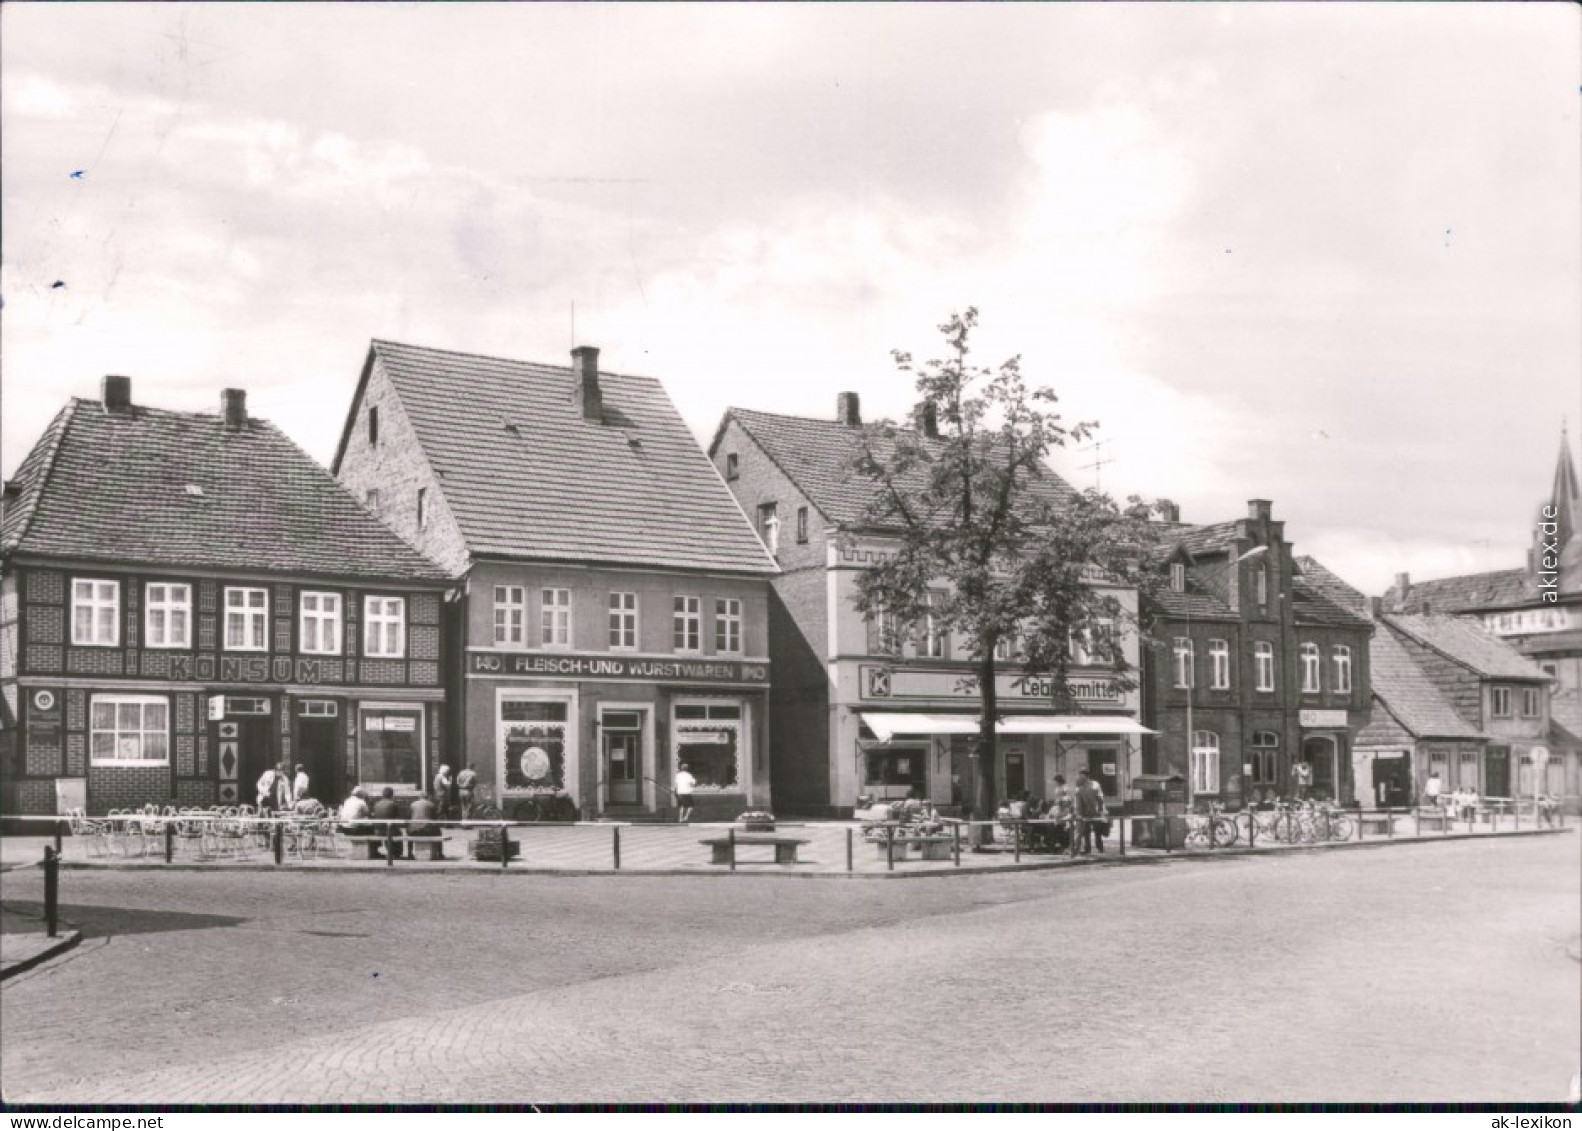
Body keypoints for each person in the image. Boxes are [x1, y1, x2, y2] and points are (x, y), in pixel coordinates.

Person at [371, 786, 408, 859]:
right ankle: (396, 854)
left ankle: (389, 852)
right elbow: (397, 817)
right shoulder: (393, 804)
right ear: (392, 795)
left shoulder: (376, 804)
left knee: (389, 831)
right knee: (398, 833)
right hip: (389, 830)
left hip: (377, 830)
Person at [1075, 770, 1107, 854]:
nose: (1081, 777)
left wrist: (1100, 811)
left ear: (1087, 776)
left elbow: (1100, 798)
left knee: (1098, 832)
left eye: (1083, 776)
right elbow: (1079, 801)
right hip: (1085, 812)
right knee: (1086, 832)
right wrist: (1080, 813)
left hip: (1095, 812)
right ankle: (1087, 848)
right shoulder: (1079, 787)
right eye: (1080, 776)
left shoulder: (1095, 784)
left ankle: (1100, 848)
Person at [407, 793, 443, 858]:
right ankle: (440, 853)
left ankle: (409, 853)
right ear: (428, 797)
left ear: (419, 797)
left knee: (409, 831)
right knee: (439, 832)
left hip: (413, 830)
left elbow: (409, 817)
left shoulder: (412, 804)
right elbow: (435, 818)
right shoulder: (431, 804)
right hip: (427, 830)